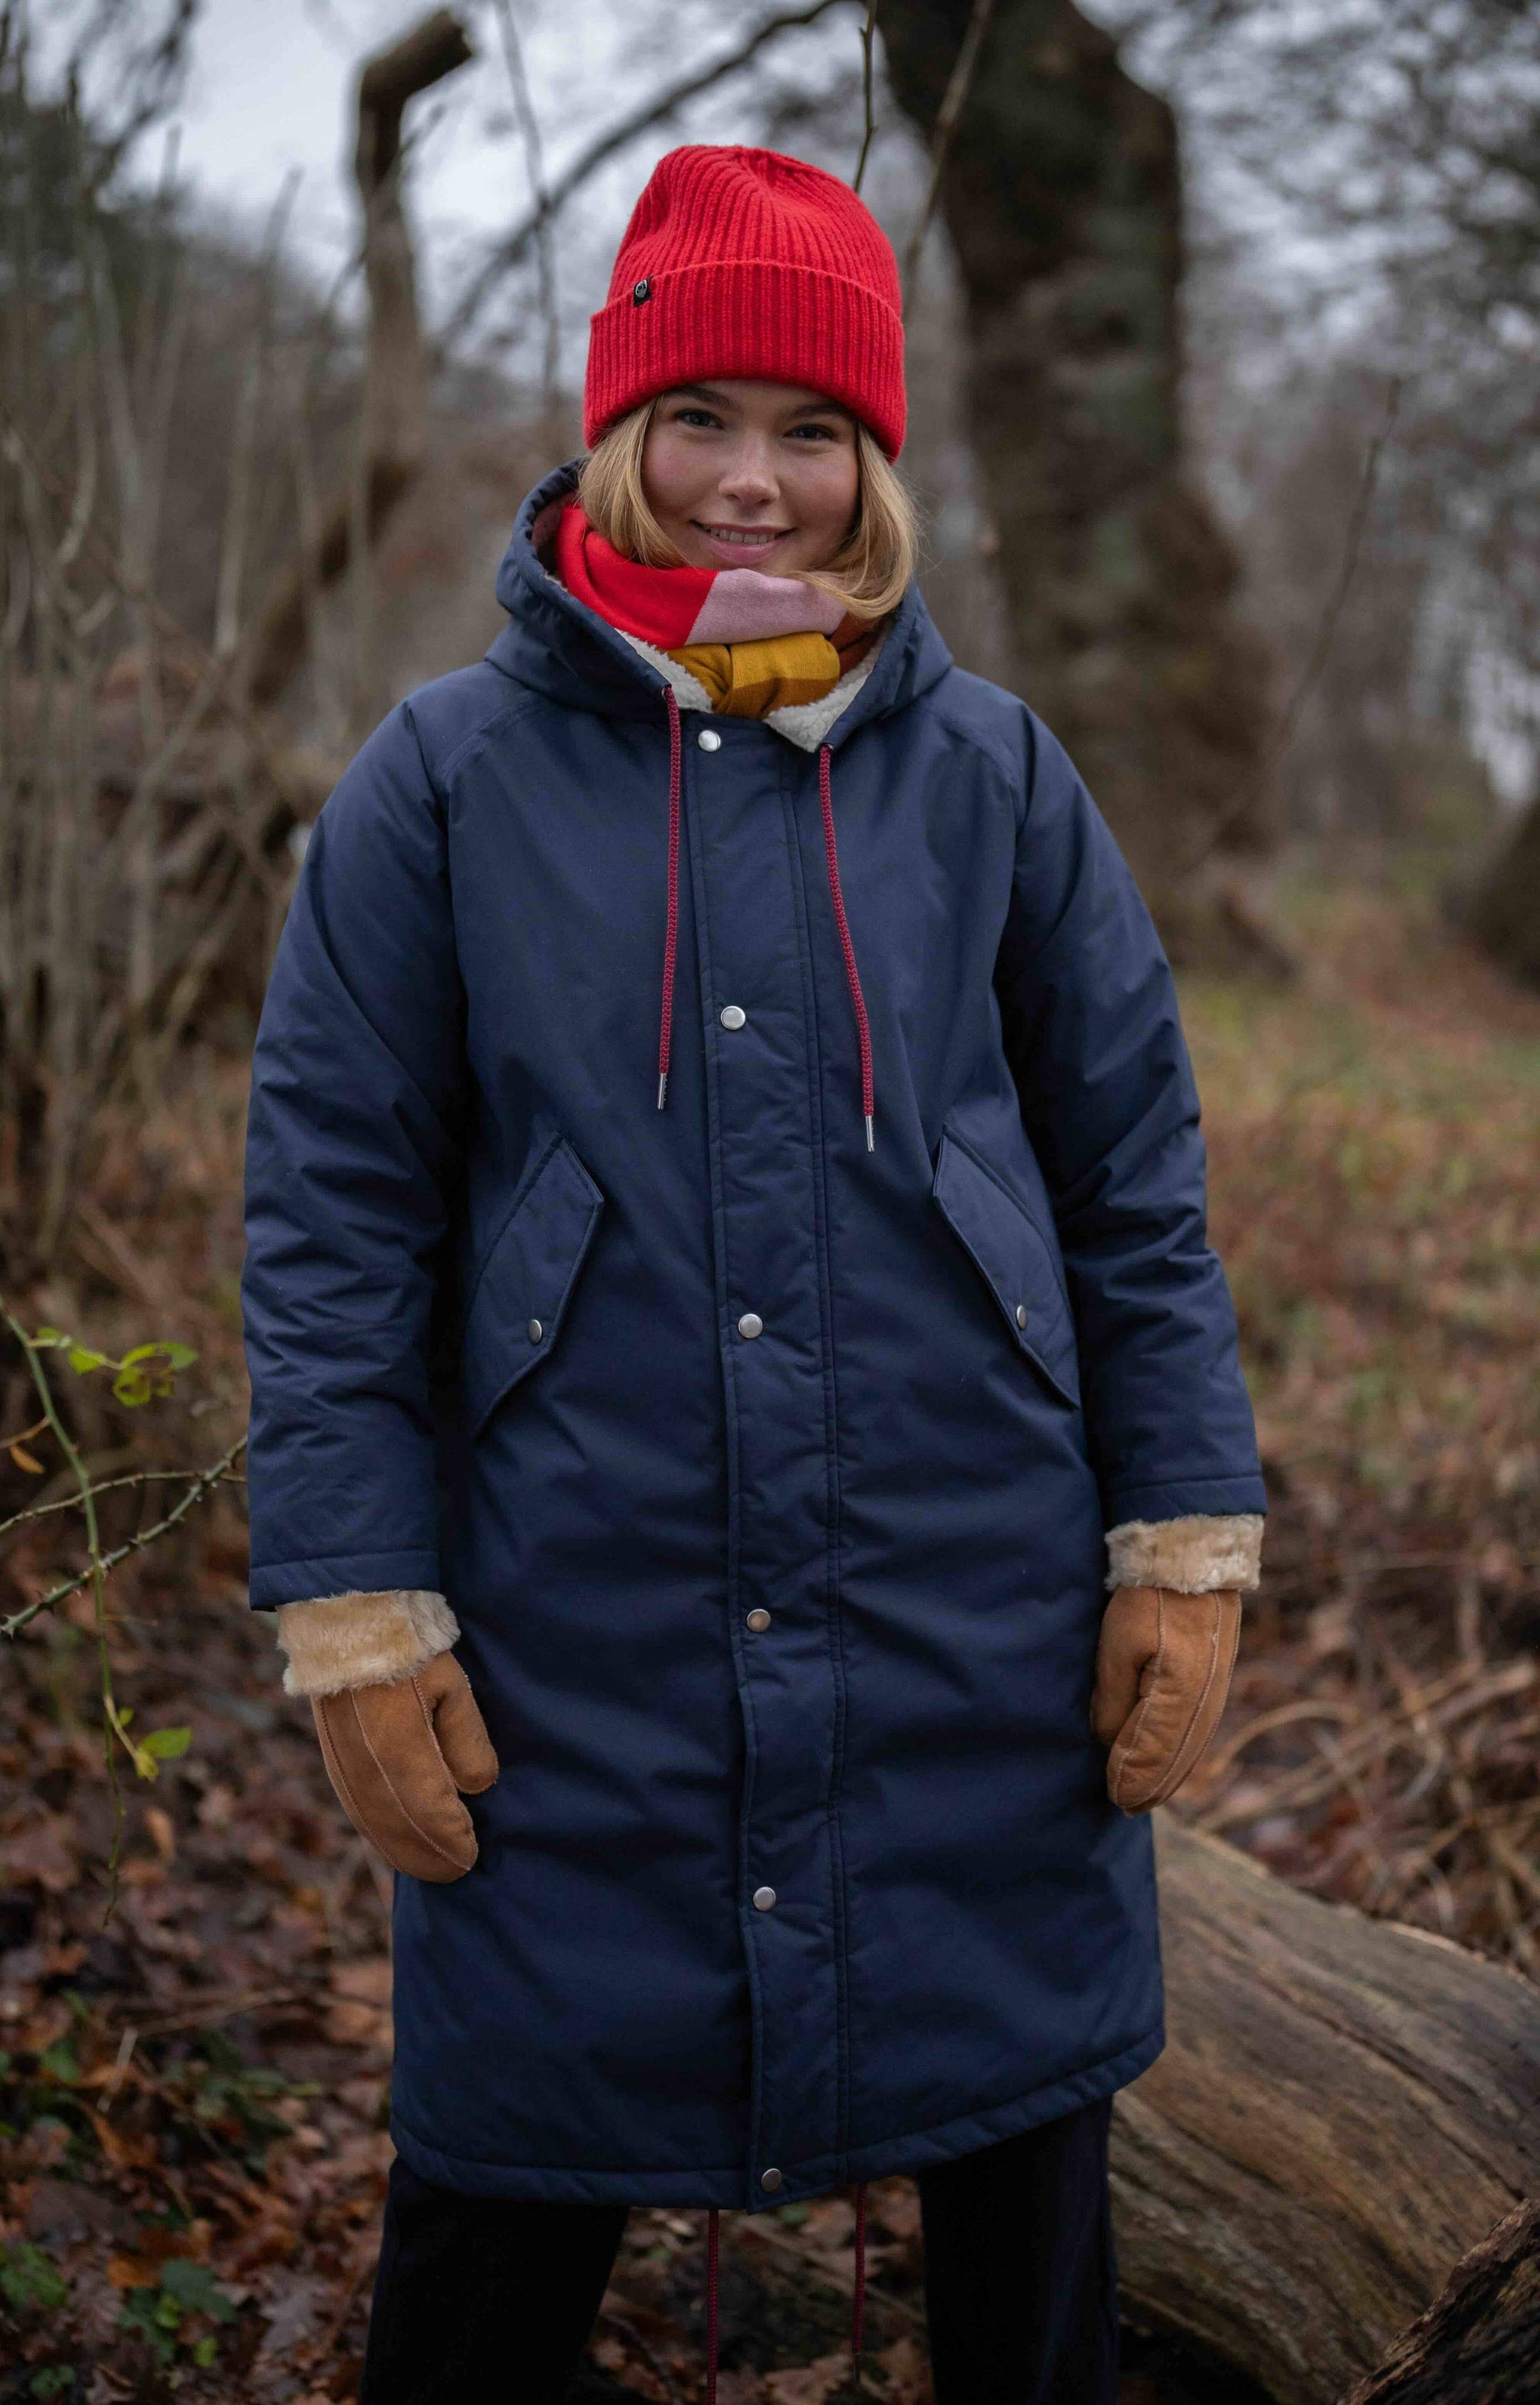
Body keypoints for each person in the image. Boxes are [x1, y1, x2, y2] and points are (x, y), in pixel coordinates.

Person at [241, 143, 1265, 2405]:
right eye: (699, 418)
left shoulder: (992, 776)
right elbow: (330, 1217)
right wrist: (353, 1597)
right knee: (500, 2197)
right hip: (568, 1610)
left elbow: (1129, 1186)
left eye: (812, 432)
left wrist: (1182, 1539)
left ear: (876, 457)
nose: (750, 483)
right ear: (617, 425)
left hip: (962, 1609)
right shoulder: (439, 784)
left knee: (1022, 2211)